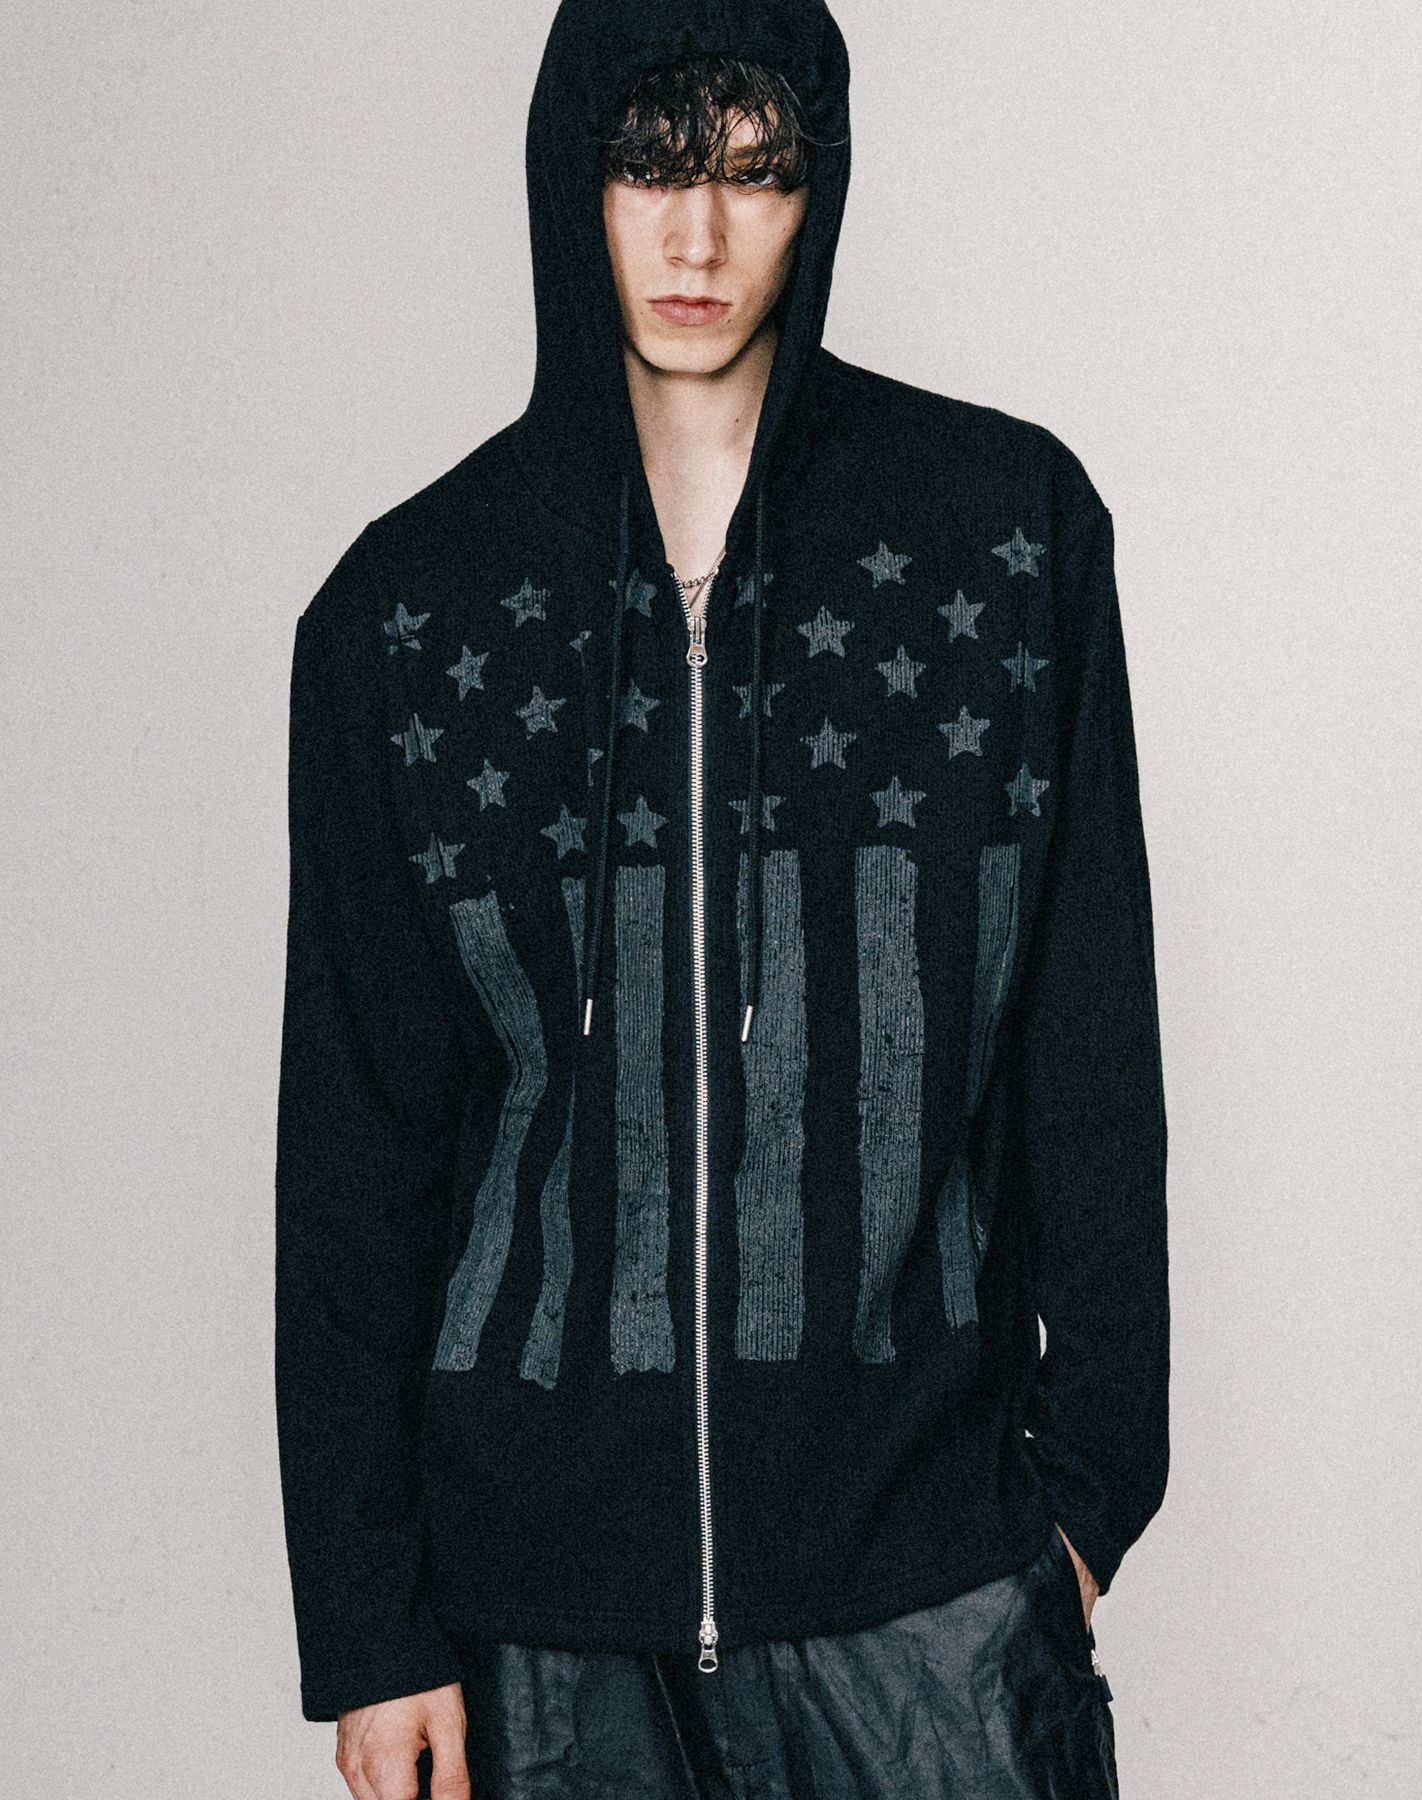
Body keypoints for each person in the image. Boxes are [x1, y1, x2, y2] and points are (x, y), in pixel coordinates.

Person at [274, 1, 1169, 1795]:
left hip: (926, 1599)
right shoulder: (411, 611)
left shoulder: (1001, 540)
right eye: (650, 167)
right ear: (569, 180)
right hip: (536, 1621)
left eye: (754, 173)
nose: (697, 236)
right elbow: (358, 1149)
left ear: (817, 193)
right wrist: (370, 1629)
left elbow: (1087, 1045)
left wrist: (1086, 1498)